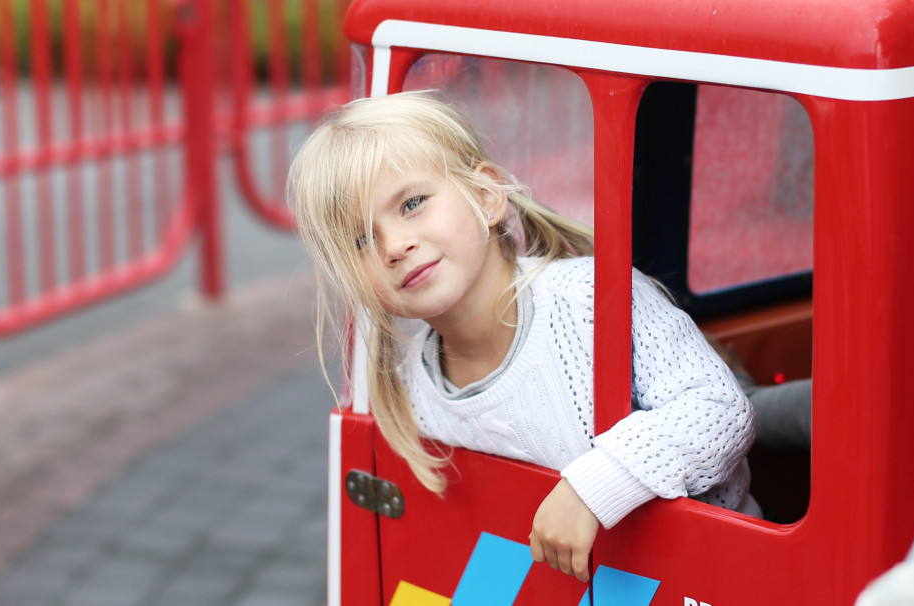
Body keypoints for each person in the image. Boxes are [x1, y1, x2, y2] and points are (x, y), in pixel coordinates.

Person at [288, 91, 758, 584]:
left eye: (412, 203)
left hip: (704, 577)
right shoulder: (408, 381)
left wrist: (592, 488)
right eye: (362, 239)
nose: (394, 246)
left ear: (487, 197)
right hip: (545, 584)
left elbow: (719, 410)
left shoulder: (590, 300)